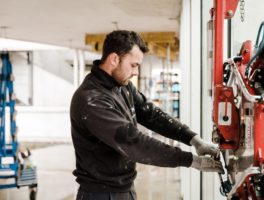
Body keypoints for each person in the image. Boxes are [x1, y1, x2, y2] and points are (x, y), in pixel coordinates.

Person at [70, 30, 224, 200]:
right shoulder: (91, 99)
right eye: (134, 65)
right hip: (99, 194)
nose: (136, 72)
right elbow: (133, 143)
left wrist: (193, 139)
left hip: (124, 188)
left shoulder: (122, 86)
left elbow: (152, 114)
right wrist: (191, 160)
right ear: (114, 59)